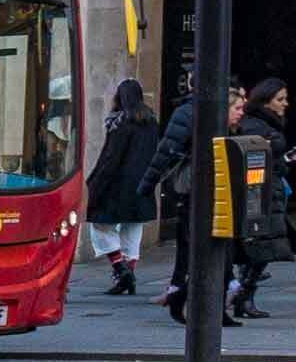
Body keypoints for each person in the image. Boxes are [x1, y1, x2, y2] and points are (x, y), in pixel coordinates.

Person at [145, 82, 248, 325]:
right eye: (237, 108)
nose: (241, 112)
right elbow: (166, 152)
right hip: (202, 200)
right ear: (224, 109)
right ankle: (189, 300)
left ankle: (187, 299)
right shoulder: (206, 134)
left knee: (218, 256)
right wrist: (146, 185)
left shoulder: (231, 133)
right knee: (211, 255)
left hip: (219, 201)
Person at [83, 78, 160, 296]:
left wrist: (94, 185)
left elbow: (110, 159)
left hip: (118, 183)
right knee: (133, 228)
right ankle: (129, 274)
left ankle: (120, 268)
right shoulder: (151, 122)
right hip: (143, 182)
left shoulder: (120, 123)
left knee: (99, 224)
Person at [231, 79, 294, 320]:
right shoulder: (256, 125)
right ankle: (242, 295)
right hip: (260, 194)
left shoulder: (266, 124)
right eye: (280, 99)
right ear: (265, 101)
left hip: (268, 191)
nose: (285, 104)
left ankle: (243, 295)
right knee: (259, 249)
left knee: (261, 249)